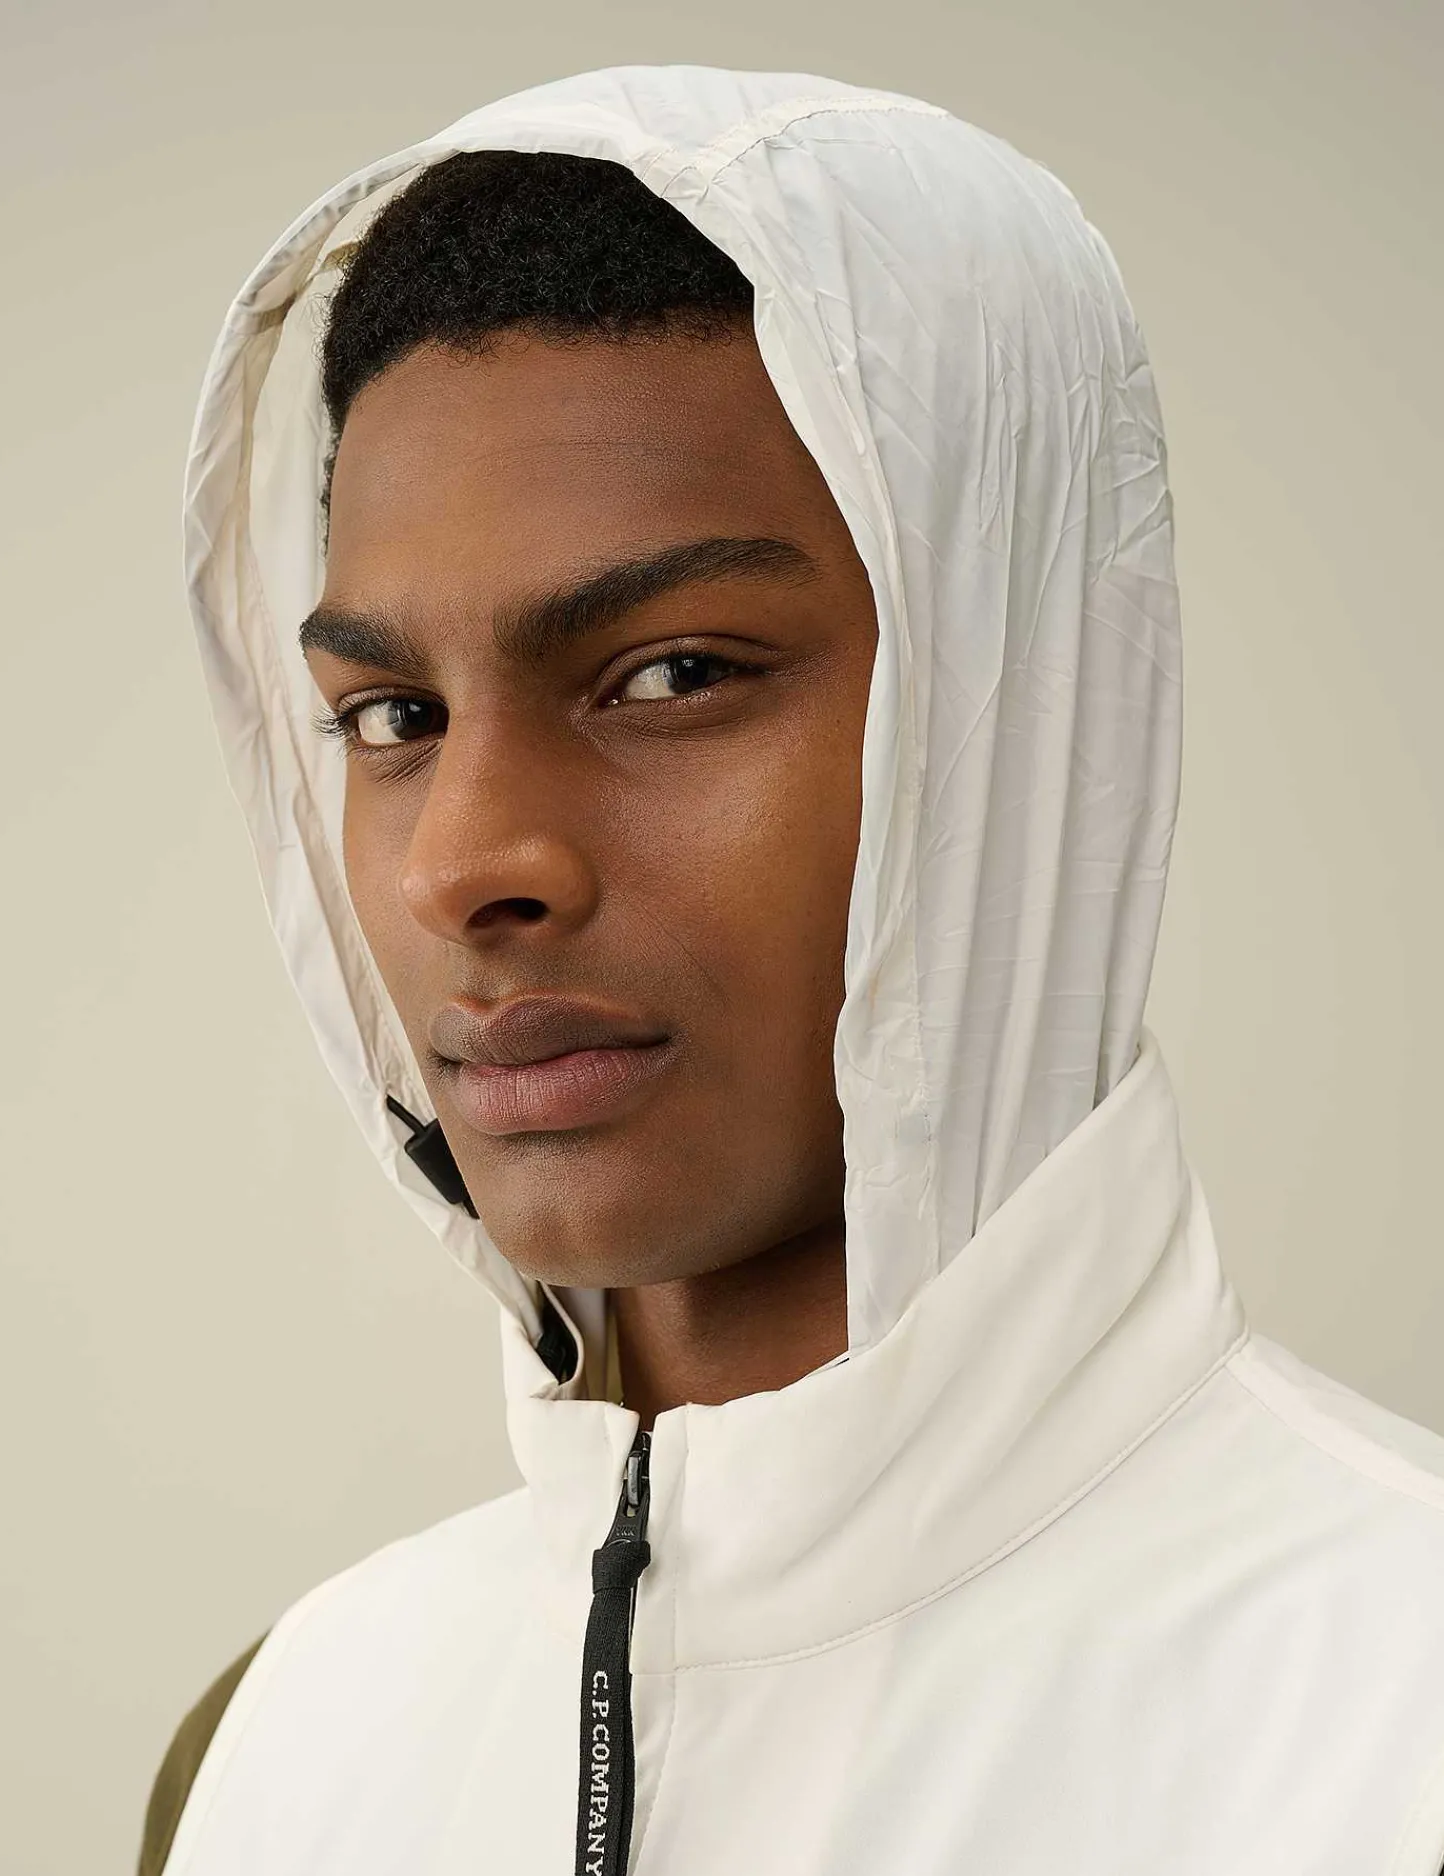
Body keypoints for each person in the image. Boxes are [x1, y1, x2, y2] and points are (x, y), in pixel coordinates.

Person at [142, 66, 1444, 1876]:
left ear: (1018, 707)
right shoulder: (282, 1748)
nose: (463, 862)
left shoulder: (1395, 1702)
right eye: (391, 717)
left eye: (672, 675)